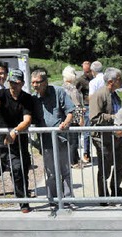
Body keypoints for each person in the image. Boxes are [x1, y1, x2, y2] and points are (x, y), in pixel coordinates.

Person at [0, 68, 34, 213]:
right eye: (10, 82)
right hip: (3, 137)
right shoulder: (1, 93)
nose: (12, 86)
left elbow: (27, 120)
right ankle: (23, 202)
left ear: (21, 83)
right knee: (16, 167)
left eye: (15, 83)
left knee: (18, 164)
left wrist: (15, 131)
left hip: (19, 135)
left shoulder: (27, 98)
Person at [31, 68, 75, 210]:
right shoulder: (34, 98)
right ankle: (53, 200)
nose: (35, 85)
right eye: (33, 82)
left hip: (61, 139)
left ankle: (68, 199)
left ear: (45, 81)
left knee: (65, 171)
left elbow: (70, 111)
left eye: (38, 82)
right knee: (50, 173)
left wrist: (66, 122)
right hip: (46, 141)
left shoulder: (58, 92)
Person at [89, 67, 122, 200]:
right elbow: (94, 117)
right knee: (105, 169)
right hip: (103, 139)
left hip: (116, 136)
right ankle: (103, 196)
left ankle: (116, 190)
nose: (121, 81)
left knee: (120, 165)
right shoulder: (100, 95)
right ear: (111, 81)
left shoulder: (114, 94)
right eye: (119, 79)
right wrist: (113, 117)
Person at [62, 66, 86, 167]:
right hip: (74, 117)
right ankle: (73, 162)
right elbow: (77, 105)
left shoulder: (62, 87)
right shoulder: (73, 89)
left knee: (69, 140)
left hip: (65, 116)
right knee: (74, 140)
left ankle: (74, 159)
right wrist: (81, 118)